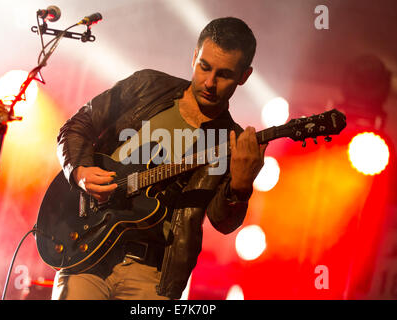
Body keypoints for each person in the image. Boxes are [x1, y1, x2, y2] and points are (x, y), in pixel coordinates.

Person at [52, 16, 267, 300]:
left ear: (245, 76)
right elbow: (77, 126)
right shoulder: (147, 85)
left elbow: (222, 221)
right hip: (89, 252)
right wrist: (79, 171)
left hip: (153, 277)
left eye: (224, 74)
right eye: (204, 67)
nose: (210, 83)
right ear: (194, 56)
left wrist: (240, 186)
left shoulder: (232, 141)